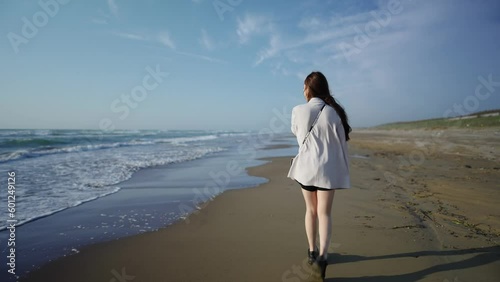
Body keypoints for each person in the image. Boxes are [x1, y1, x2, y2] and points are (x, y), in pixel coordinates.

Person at [287, 71, 351, 280]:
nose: (303, 91)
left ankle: (311, 251)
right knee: (324, 213)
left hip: (306, 169)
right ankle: (323, 257)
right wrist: (343, 170)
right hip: (328, 170)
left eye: (304, 87)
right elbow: (341, 144)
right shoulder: (335, 112)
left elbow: (296, 133)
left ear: (309, 88)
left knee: (310, 210)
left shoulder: (298, 110)